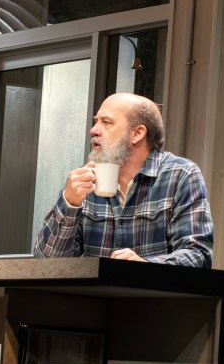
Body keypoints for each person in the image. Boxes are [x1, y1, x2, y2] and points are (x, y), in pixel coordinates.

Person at [32, 92, 213, 268]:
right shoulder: (83, 181)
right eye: (96, 121)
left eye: (106, 122)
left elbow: (198, 255)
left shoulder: (181, 175)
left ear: (137, 133)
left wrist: (147, 267)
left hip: (153, 290)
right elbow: (45, 266)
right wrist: (70, 203)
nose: (93, 130)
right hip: (95, 290)